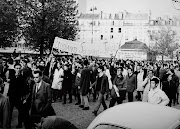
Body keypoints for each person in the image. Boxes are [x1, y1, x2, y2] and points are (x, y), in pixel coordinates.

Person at [7, 63, 24, 128]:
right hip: (11, 97)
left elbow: (22, 87)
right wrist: (15, 77)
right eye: (17, 68)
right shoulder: (11, 75)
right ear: (14, 69)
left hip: (18, 97)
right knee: (9, 111)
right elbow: (11, 85)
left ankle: (19, 124)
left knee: (21, 110)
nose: (18, 70)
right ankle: (8, 124)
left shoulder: (22, 77)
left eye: (19, 68)